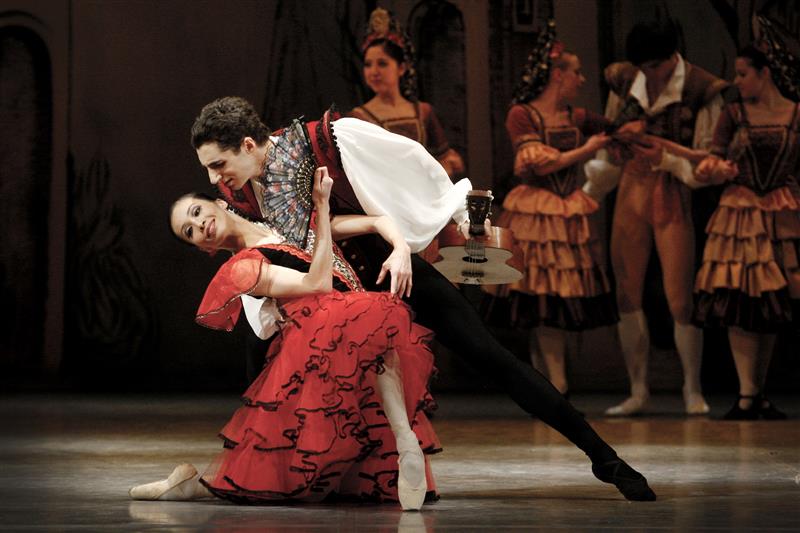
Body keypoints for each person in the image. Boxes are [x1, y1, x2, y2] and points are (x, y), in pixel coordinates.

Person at [189, 96, 657, 501]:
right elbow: (269, 250)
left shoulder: (330, 138)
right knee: (275, 374)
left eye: (218, 164)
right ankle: (295, 481)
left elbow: (412, 162)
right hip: (333, 295)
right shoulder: (241, 196)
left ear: (247, 145)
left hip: (390, 267)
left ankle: (605, 458)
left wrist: (434, 228)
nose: (214, 179)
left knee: (492, 357)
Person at [131, 169, 438, 509]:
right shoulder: (241, 268)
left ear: (220, 204)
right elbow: (317, 284)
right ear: (204, 248)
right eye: (190, 231)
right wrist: (321, 209)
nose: (199, 225)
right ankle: (405, 441)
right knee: (287, 483)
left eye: (197, 212)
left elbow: (378, 220)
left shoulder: (284, 224)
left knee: (375, 332)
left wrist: (400, 248)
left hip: (351, 339)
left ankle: (405, 443)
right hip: (318, 344)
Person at [600, 19, 728, 416]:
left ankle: (692, 387)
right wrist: (619, 145)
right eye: (644, 67)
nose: (649, 75)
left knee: (679, 295)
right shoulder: (625, 80)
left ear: (673, 57)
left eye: (656, 66)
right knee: (627, 290)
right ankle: (637, 389)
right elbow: (609, 137)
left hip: (675, 188)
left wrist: (668, 158)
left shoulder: (701, 89)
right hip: (632, 185)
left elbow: (708, 158)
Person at [489, 21, 618, 396]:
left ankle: (551, 384)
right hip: (534, 215)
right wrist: (587, 150)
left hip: (564, 216)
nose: (581, 79)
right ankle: (551, 383)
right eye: (576, 72)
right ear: (558, 75)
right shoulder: (523, 114)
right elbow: (538, 163)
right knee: (537, 298)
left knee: (554, 297)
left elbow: (619, 129)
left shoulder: (575, 117)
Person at [693, 42, 799, 420]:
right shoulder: (734, 113)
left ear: (764, 73)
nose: (737, 81)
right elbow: (714, 157)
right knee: (740, 299)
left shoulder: (795, 113)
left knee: (770, 302)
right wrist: (715, 170)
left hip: (780, 210)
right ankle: (746, 392)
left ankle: (759, 392)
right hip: (740, 211)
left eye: (743, 74)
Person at [349, 7, 465, 179]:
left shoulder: (423, 112)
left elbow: (448, 161)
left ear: (401, 68)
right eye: (368, 64)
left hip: (423, 192)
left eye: (382, 63)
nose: (373, 72)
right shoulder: (359, 118)